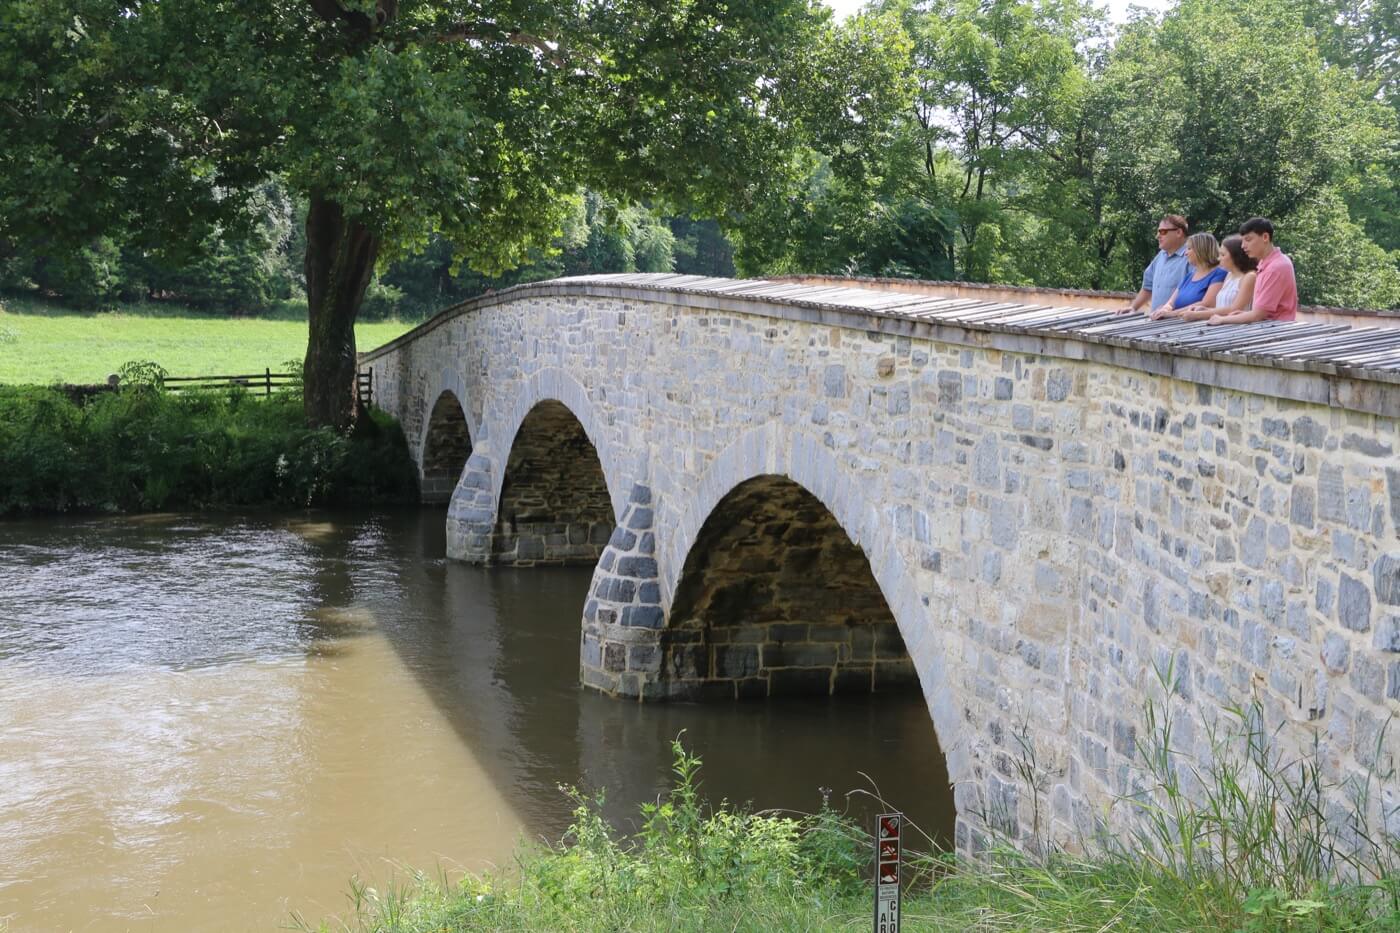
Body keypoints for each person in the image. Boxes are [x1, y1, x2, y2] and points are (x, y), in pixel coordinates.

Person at [1207, 217, 1297, 325]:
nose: (1243, 246)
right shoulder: (1268, 262)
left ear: (1265, 237)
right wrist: (1243, 314)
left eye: (1248, 240)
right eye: (1242, 241)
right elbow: (1259, 312)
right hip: (1268, 326)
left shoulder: (1275, 267)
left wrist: (1222, 319)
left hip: (1276, 329)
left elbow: (1258, 315)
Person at [1167, 234, 1257, 322]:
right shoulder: (1229, 275)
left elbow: (1235, 309)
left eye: (1223, 255)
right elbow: (1222, 306)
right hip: (1221, 325)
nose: (1218, 258)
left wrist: (1198, 315)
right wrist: (1204, 309)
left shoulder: (1249, 277)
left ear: (1235, 256)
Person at [1116, 214, 1191, 314]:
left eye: (1163, 232)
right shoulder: (1161, 256)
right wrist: (1133, 307)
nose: (1158, 236)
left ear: (1178, 232)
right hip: (1156, 320)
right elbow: (1148, 287)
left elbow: (1197, 293)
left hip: (1180, 321)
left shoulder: (1192, 256)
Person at [1150, 233, 1227, 320]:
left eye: (1189, 249)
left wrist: (1171, 314)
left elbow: (1207, 304)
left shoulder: (1219, 274)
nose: (1185, 253)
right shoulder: (1189, 276)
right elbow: (1171, 303)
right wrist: (1164, 309)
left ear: (1201, 250)